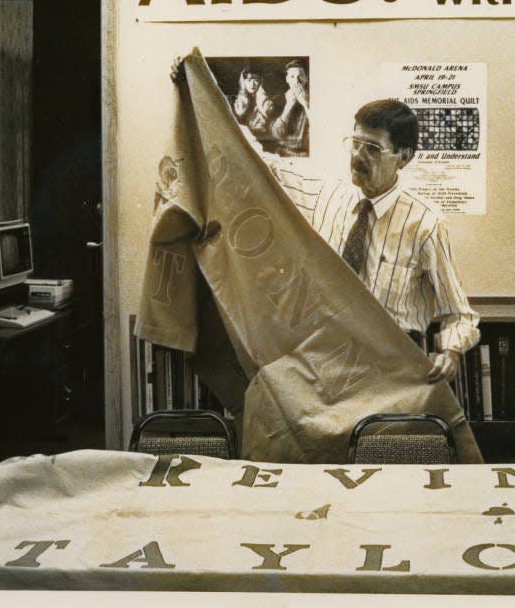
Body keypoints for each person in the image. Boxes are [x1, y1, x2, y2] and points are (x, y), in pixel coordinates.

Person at [171, 60, 479, 383]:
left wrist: (450, 352)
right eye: (355, 143)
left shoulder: (427, 223)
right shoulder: (325, 196)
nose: (358, 156)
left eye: (372, 149)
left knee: (378, 436)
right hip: (327, 365)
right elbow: (261, 163)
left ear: (403, 157)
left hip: (392, 371)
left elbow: (460, 314)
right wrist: (202, 91)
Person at [270, 60, 310, 155]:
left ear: (306, 78)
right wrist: (289, 105)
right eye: (292, 77)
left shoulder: (314, 100)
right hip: (282, 153)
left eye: (300, 76)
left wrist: (306, 104)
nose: (296, 81)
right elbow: (276, 135)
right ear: (287, 79)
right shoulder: (277, 100)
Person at [231, 65, 276, 138]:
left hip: (262, 138)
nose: (252, 84)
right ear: (243, 82)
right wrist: (243, 93)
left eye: (256, 80)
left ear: (260, 82)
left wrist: (261, 95)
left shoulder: (266, 101)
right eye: (249, 80)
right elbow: (239, 112)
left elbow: (266, 112)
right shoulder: (236, 101)